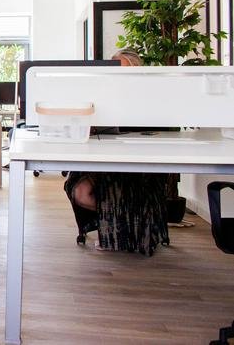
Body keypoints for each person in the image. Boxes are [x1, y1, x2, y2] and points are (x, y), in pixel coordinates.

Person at [63, 49, 169, 255]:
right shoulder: (99, 94)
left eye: (126, 70)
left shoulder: (151, 97)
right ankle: (118, 223)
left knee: (123, 190)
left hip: (137, 161)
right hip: (101, 158)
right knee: (80, 191)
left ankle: (121, 229)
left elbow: (162, 130)